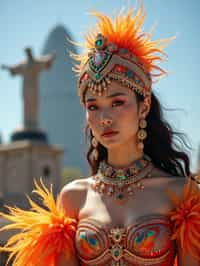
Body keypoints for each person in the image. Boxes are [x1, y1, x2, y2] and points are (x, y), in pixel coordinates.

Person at [0, 2, 200, 266]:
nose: (105, 118)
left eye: (118, 102)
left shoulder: (181, 194)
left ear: (145, 106)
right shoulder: (73, 197)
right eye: (93, 106)